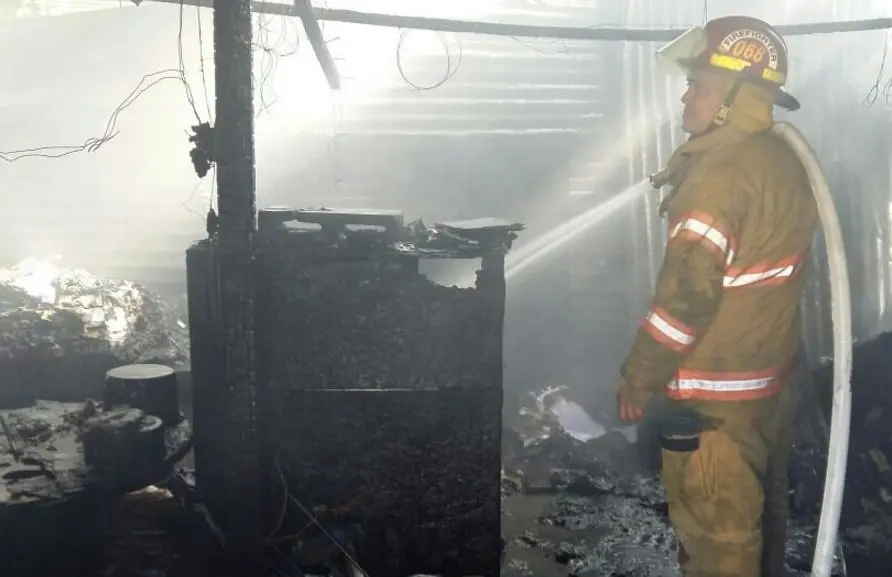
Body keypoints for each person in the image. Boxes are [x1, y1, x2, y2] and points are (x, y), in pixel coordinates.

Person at [614, 15, 818, 577]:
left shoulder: (720, 178)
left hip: (717, 411)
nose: (686, 96)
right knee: (760, 530)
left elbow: (685, 298)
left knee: (718, 544)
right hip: (764, 394)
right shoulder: (779, 161)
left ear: (733, 97)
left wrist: (639, 376)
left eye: (699, 85)